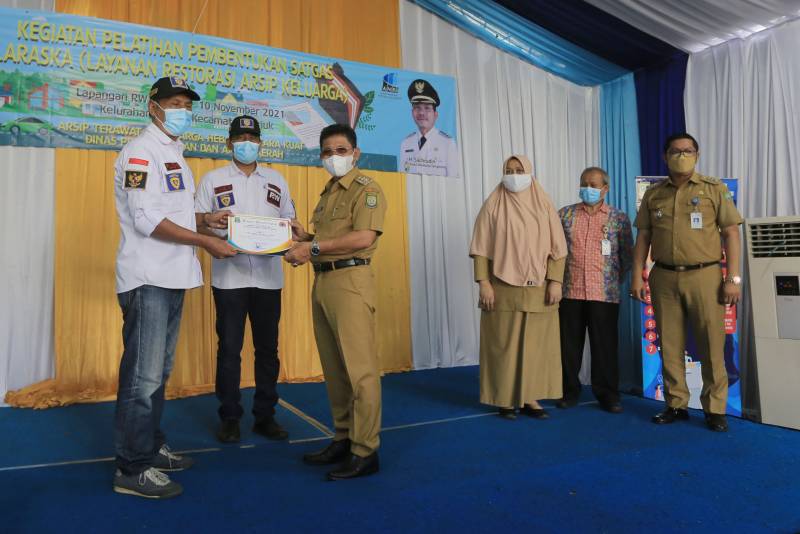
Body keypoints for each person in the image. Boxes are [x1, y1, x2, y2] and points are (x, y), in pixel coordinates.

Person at [112, 76, 237, 499]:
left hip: (172, 275)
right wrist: (204, 241)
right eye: (175, 103)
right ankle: (132, 468)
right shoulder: (139, 153)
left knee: (158, 373)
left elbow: (173, 213)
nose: (183, 110)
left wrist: (206, 221)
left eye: (187, 104)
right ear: (154, 107)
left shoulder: (174, 153)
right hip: (148, 276)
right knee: (142, 378)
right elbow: (144, 218)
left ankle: (149, 446)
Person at [285, 124, 386, 480]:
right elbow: (329, 241)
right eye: (327, 152)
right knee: (335, 369)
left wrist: (310, 247)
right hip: (324, 281)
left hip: (351, 282)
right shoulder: (329, 191)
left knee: (360, 372)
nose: (334, 157)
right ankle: (343, 438)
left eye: (341, 150)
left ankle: (365, 450)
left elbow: (362, 238)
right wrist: (306, 236)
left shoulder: (367, 189)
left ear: (355, 153)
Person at [631, 133, 743, 432]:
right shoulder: (654, 194)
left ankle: (715, 409)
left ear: (697, 154)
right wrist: (636, 275)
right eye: (675, 151)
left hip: (705, 275)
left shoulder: (714, 189)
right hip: (664, 276)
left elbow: (731, 233)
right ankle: (676, 404)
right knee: (669, 343)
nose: (682, 155)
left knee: (711, 344)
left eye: (688, 150)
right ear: (665, 156)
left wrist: (733, 278)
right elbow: (643, 236)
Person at [195, 115, 296, 444]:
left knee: (268, 350)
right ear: (229, 143)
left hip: (269, 278)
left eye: (252, 138)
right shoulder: (212, 179)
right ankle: (230, 417)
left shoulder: (277, 180)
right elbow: (195, 222)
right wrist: (212, 232)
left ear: (260, 143)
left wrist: (293, 236)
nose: (247, 143)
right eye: (240, 138)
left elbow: (289, 222)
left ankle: (265, 416)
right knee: (229, 350)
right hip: (229, 277)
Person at [469, 155, 568, 420]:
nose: (514, 175)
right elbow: (480, 248)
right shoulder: (493, 205)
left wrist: (556, 281)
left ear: (530, 173)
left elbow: (558, 249)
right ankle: (504, 398)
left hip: (539, 288)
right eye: (509, 170)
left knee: (536, 347)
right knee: (504, 346)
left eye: (519, 170)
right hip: (501, 288)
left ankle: (530, 398)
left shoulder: (544, 205)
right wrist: (483, 283)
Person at [557, 167, 633, 413]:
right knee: (568, 347)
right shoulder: (565, 215)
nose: (587, 188)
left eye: (593, 184)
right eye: (584, 183)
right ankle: (568, 391)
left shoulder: (618, 218)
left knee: (605, 348)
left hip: (605, 294)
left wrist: (611, 280)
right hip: (570, 292)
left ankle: (608, 395)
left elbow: (627, 256)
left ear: (605, 188)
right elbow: (555, 252)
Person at [399, 78, 459, 177]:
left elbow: (453, 180)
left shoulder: (448, 143)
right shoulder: (406, 143)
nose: (421, 113)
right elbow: (402, 177)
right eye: (417, 107)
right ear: (412, 113)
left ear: (435, 114)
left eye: (427, 108)